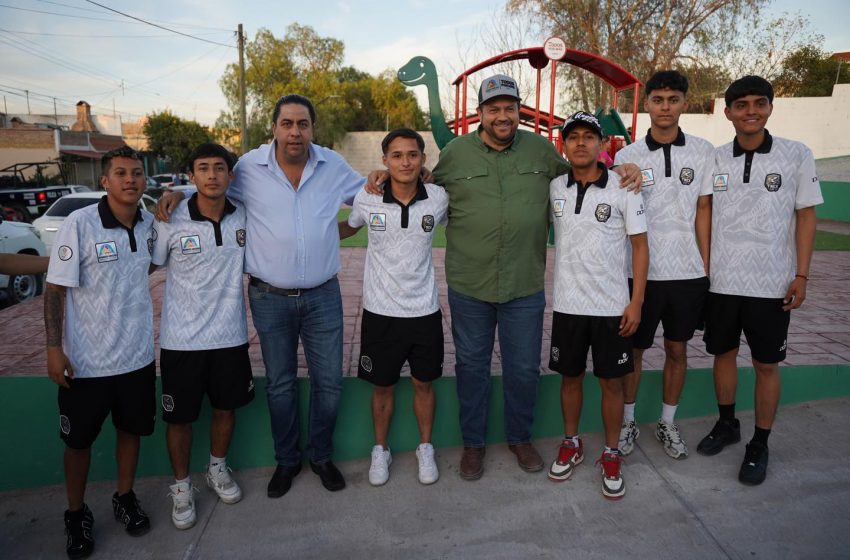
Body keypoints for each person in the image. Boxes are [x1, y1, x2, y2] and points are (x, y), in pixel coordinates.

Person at [425, 74, 642, 480]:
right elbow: (424, 186)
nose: (502, 116)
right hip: (469, 286)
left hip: (524, 285)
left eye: (509, 108)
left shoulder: (542, 151)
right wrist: (384, 177)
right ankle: (473, 445)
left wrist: (623, 167)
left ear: (519, 112)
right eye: (494, 109)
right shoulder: (455, 154)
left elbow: (585, 170)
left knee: (523, 369)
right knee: (471, 368)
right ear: (480, 114)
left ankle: (520, 438)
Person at [157, 94, 365, 498]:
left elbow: (367, 197)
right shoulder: (249, 167)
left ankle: (321, 456)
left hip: (324, 295)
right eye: (286, 123)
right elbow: (212, 181)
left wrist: (397, 184)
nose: (294, 132)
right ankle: (287, 460)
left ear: (312, 129)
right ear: (274, 127)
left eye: (302, 124)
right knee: (281, 384)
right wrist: (179, 191)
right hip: (269, 298)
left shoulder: (332, 166)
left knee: (329, 382)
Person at [697, 76, 822, 485]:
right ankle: (728, 424)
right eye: (742, 104)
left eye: (759, 103)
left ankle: (760, 443)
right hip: (722, 283)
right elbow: (703, 211)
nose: (751, 110)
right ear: (729, 111)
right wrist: (704, 269)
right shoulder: (714, 159)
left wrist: (801, 274)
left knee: (766, 365)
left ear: (770, 107)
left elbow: (806, 215)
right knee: (723, 355)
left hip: (770, 284)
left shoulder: (796, 154)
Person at [44, 146, 155, 558]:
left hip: (137, 358)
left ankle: (124, 498)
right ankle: (76, 514)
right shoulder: (79, 224)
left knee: (131, 432)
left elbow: (149, 265)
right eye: (121, 173)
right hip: (86, 364)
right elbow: (55, 288)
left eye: (137, 173)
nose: (131, 180)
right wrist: (54, 348)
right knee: (79, 445)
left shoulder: (149, 225)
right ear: (104, 181)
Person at [150, 143, 253, 530]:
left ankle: (217, 468)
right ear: (191, 176)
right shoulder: (170, 218)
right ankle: (180, 487)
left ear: (230, 175)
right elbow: (147, 265)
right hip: (182, 341)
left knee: (226, 409)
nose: (212, 175)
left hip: (230, 336)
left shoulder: (243, 215)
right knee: (179, 420)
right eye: (203, 169)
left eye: (219, 168)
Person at [613, 70, 714, 459]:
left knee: (677, 350)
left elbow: (704, 209)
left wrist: (705, 265)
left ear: (684, 103)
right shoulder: (627, 157)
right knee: (634, 352)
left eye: (673, 99)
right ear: (647, 104)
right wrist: (619, 171)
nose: (666, 107)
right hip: (639, 276)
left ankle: (668, 423)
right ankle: (628, 422)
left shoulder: (704, 151)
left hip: (687, 275)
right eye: (658, 100)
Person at [546, 111, 648, 499]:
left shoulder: (624, 186)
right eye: (573, 137)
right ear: (564, 144)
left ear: (603, 144)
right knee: (570, 378)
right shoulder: (555, 186)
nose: (581, 143)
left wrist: (636, 301)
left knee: (611, 382)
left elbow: (640, 246)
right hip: (568, 306)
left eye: (590, 136)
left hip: (611, 307)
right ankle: (571, 442)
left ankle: (611, 451)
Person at [339, 128, 448, 486]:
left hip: (424, 311)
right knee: (382, 387)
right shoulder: (367, 197)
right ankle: (380, 449)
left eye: (413, 155)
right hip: (380, 312)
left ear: (423, 160)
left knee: (423, 385)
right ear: (384, 161)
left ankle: (425, 447)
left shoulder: (438, 198)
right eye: (397, 155)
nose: (405, 161)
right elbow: (347, 228)